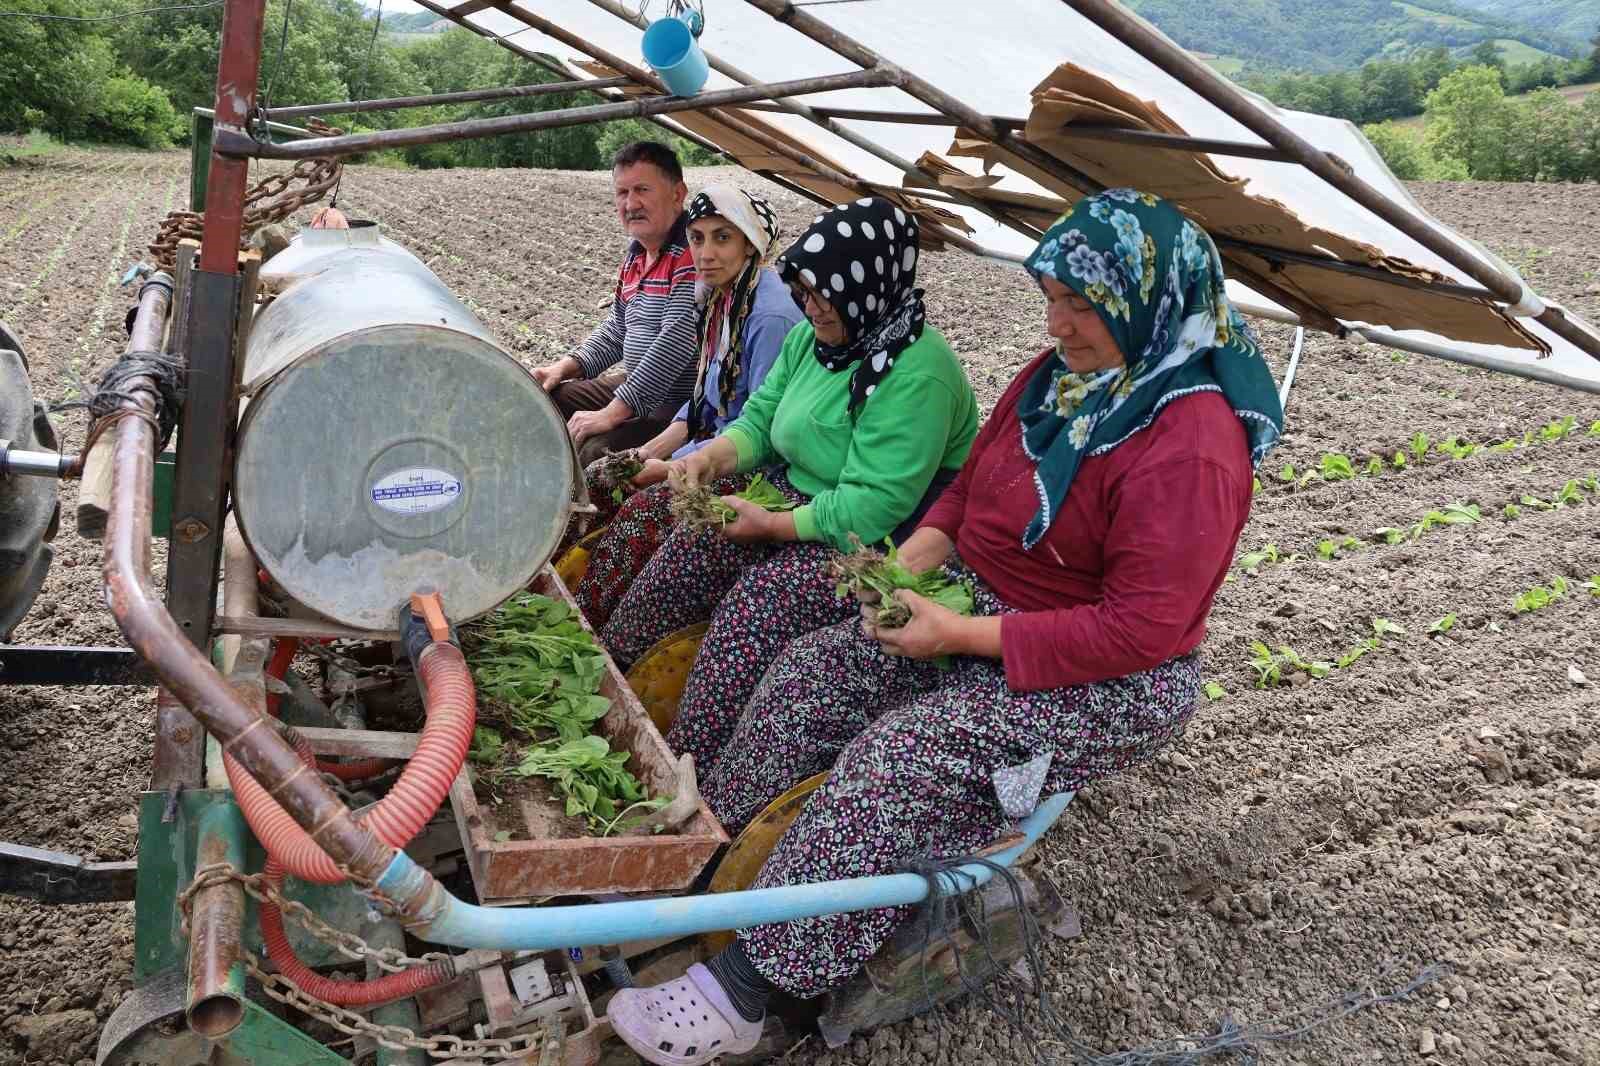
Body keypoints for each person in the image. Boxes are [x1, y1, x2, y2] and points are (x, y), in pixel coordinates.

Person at [606, 190, 1285, 1066]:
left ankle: (753, 992)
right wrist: (905, 570)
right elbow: (968, 495)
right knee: (813, 674)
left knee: (908, 758)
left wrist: (959, 639)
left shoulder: (1191, 441)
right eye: (1053, 298)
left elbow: (1141, 630)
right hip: (983, 599)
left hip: (1106, 672)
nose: (1060, 323)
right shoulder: (1056, 382)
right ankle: (712, 857)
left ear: (1152, 303)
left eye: (1083, 304)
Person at [591, 198, 979, 747]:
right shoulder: (814, 341)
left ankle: (691, 756)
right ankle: (609, 679)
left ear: (870, 288)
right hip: (798, 494)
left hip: (880, 537)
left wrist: (774, 527)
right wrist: (709, 457)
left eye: (829, 296)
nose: (814, 308)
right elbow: (758, 421)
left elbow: (872, 504)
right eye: (807, 293)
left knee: (760, 606)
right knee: (687, 537)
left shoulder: (919, 371)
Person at [559, 184, 801, 572]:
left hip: (751, 466)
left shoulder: (769, 317)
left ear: (751, 243)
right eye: (696, 238)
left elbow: (760, 427)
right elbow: (706, 399)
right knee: (603, 476)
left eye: (722, 238)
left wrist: (676, 464)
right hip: (711, 448)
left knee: (641, 511)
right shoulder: (720, 298)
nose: (705, 253)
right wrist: (650, 451)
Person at [534, 142, 701, 465]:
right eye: (622, 193)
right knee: (548, 399)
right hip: (637, 384)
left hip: (678, 401)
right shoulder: (637, 253)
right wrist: (564, 367)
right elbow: (618, 327)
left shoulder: (692, 251)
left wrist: (612, 413)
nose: (631, 203)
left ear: (677, 194)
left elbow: (676, 344)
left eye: (642, 189)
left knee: (598, 451)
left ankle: (576, 506)